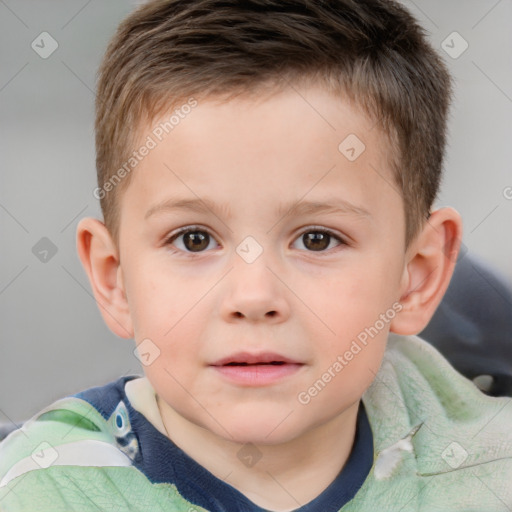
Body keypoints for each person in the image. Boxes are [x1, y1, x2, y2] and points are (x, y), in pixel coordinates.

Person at [1, 1, 511, 510]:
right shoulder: (50, 493)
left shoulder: (489, 477)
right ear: (115, 280)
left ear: (415, 276)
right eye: (194, 239)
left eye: (317, 239)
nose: (254, 297)